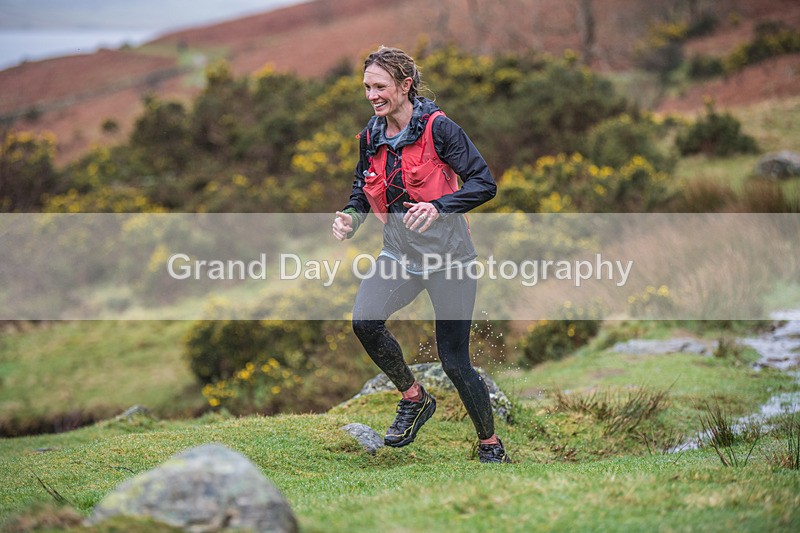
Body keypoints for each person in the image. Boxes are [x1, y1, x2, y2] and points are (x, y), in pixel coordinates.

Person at [332, 46, 509, 463]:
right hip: (398, 254)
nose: (373, 95)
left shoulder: (439, 128)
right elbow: (363, 189)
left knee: (453, 360)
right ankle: (414, 398)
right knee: (365, 321)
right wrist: (350, 218)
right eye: (367, 88)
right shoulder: (370, 135)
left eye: (380, 87)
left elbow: (484, 183)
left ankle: (489, 442)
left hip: (451, 260)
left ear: (405, 85)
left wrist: (439, 206)